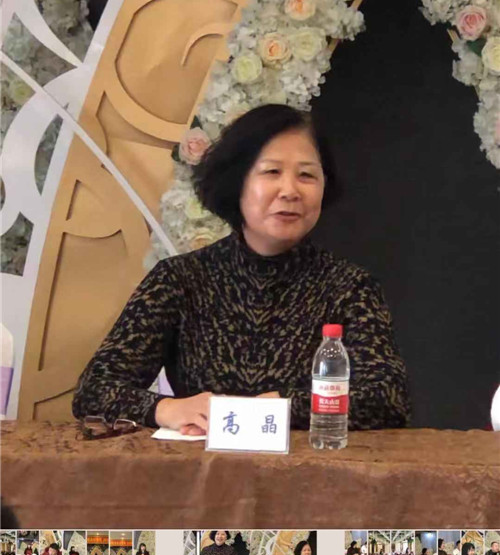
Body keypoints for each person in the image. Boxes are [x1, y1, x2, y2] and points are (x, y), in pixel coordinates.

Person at [72, 105, 411, 434]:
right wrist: (167, 409)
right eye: (271, 172)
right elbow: (94, 389)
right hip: (201, 469)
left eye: (307, 175)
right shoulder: (179, 279)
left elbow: (388, 398)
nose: (290, 191)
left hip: (311, 470)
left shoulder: (349, 286)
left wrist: (283, 408)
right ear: (236, 182)